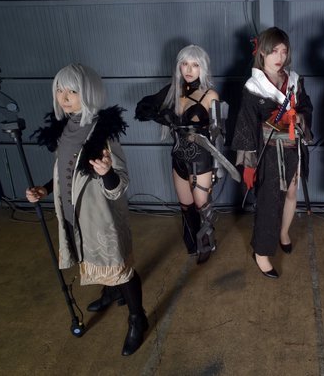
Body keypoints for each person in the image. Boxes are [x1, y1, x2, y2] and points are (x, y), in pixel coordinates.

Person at [26, 63, 147, 356]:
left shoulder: (103, 132)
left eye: (73, 91)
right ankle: (111, 291)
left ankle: (137, 318)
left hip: (101, 216)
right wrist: (46, 189)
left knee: (120, 268)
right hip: (74, 213)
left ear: (89, 93)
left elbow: (120, 183)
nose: (64, 97)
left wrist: (107, 172)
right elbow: (64, 172)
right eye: (60, 90)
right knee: (92, 258)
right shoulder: (64, 129)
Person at [135, 45, 229, 265]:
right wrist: (162, 117)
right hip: (178, 156)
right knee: (186, 205)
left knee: (202, 205)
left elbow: (219, 135)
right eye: (185, 64)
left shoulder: (210, 95)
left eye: (195, 65)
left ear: (202, 68)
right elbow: (142, 108)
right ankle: (192, 240)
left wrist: (217, 168)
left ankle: (207, 243)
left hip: (201, 158)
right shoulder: (173, 91)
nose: (189, 69)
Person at [232, 27, 313, 279]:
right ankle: (262, 252)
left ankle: (283, 232)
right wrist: (249, 164)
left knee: (292, 193)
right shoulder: (253, 86)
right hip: (268, 153)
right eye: (273, 51)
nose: (279, 57)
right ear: (262, 53)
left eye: (283, 51)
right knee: (269, 202)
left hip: (293, 148)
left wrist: (298, 116)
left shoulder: (294, 80)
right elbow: (246, 125)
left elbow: (307, 107)